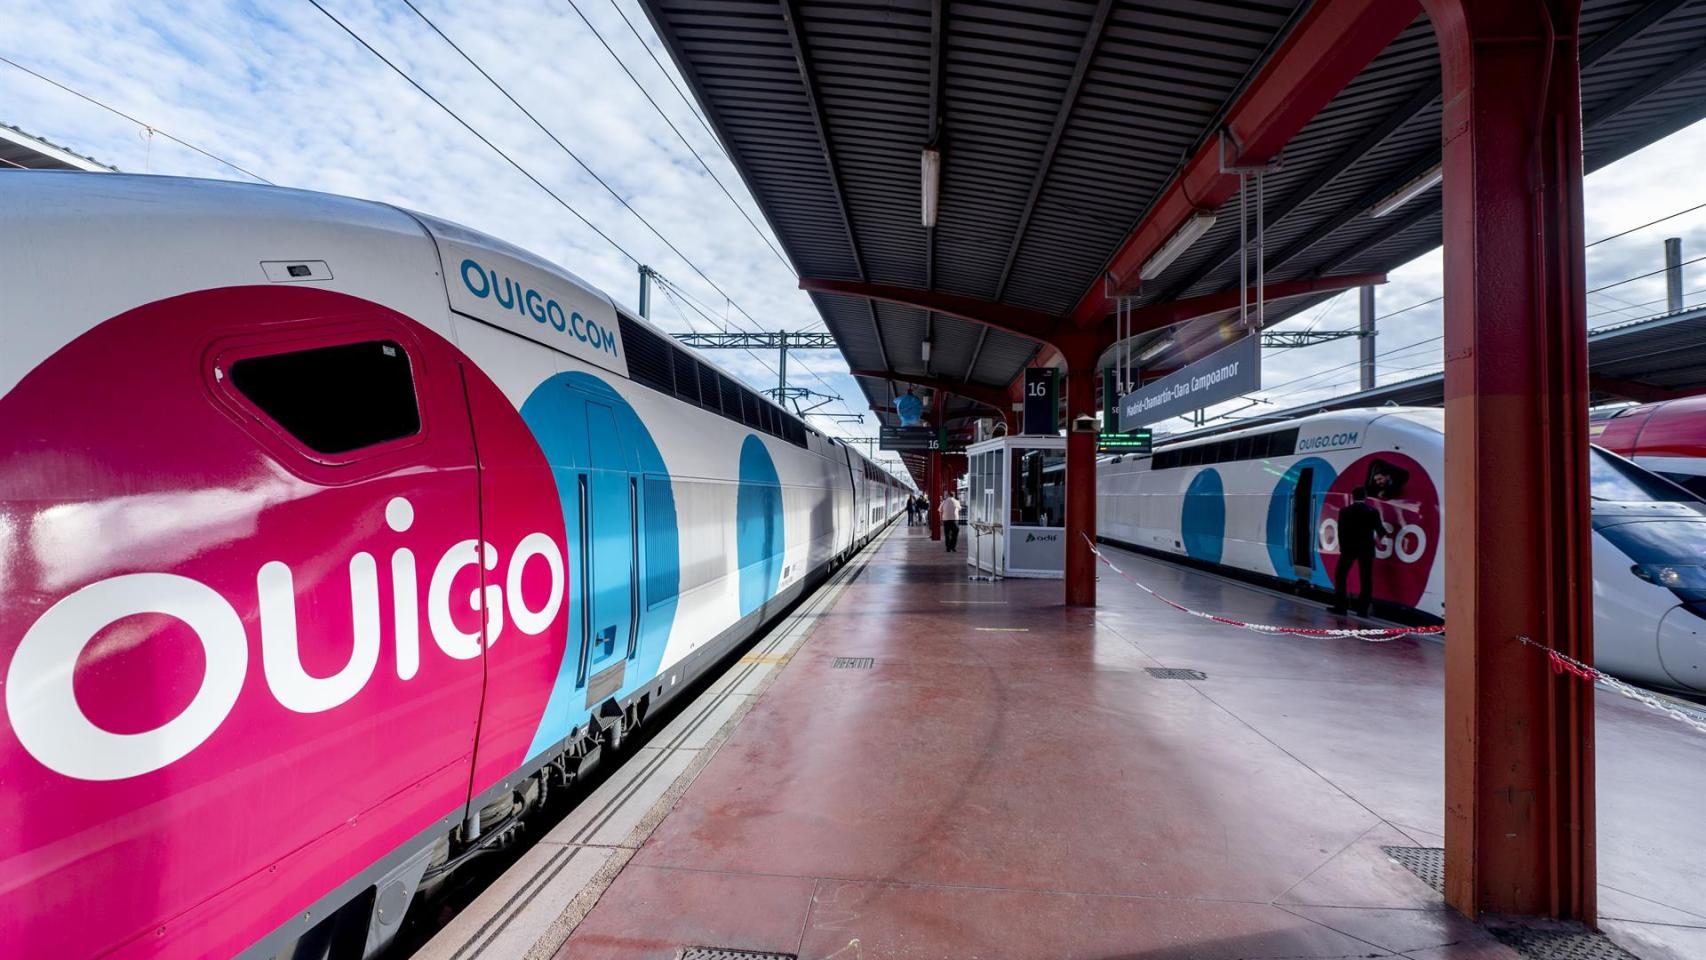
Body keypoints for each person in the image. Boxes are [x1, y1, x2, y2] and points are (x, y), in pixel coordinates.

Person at [1330, 487, 1393, 616]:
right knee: (1366, 579)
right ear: (1365, 497)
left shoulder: (1345, 511)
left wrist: (1343, 547)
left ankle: (1341, 607)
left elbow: (1340, 531)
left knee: (1340, 575)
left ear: (1353, 497)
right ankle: (1362, 610)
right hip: (1366, 549)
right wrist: (1388, 534)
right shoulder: (1373, 511)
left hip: (1349, 549)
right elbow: (1380, 530)